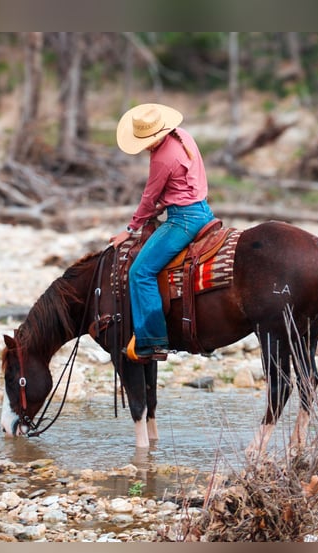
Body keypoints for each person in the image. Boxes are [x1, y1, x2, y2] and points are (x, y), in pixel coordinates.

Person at [110, 103, 215, 361]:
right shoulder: (183, 135)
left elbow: (149, 197)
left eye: (144, 141)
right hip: (202, 210)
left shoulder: (161, 157)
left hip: (183, 219)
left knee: (140, 271)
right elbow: (180, 183)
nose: (144, 146)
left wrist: (130, 228)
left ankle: (153, 341)